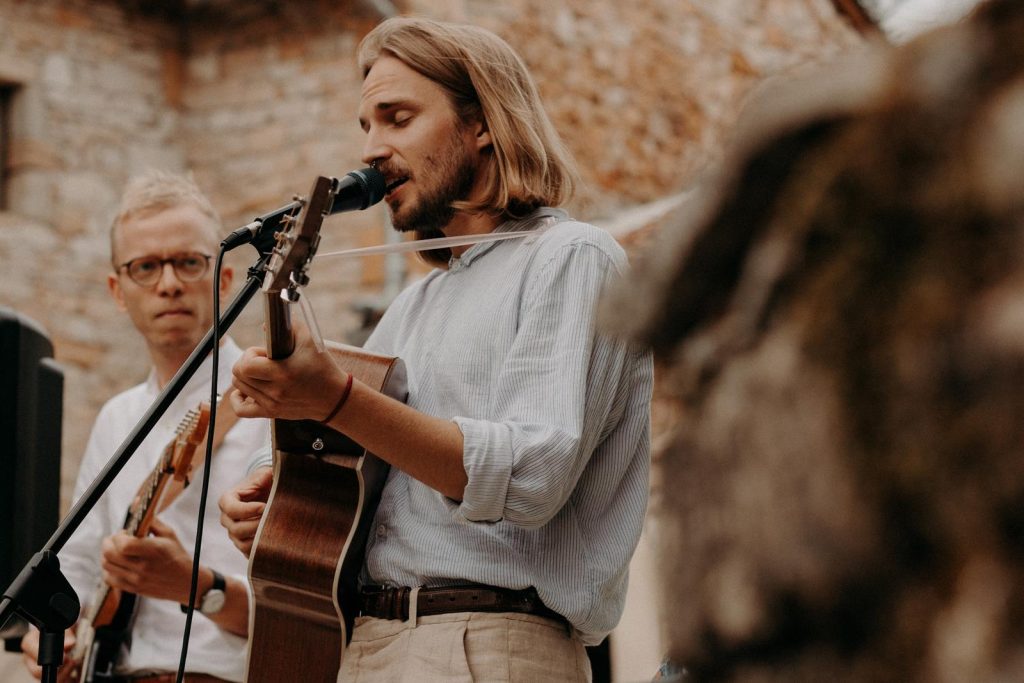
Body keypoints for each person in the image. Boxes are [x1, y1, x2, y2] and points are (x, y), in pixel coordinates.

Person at [220, 16, 653, 682]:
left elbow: (533, 475)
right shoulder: (417, 303)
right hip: (367, 642)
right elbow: (343, 447)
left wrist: (331, 398)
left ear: (480, 122)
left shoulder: (573, 258)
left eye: (396, 117)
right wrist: (267, 494)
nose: (371, 149)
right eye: (365, 126)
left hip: (488, 641)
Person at [21, 171, 269, 683]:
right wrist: (50, 633)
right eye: (146, 267)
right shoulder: (116, 417)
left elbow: (314, 605)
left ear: (224, 279)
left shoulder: (270, 402)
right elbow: (80, 565)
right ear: (118, 290)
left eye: (188, 262)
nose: (169, 283)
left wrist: (197, 586)